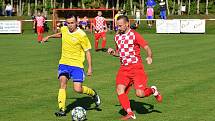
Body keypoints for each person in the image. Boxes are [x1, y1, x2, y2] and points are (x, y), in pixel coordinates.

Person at [41, 15, 101, 117]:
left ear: (77, 22)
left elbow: (87, 51)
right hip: (64, 62)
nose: (70, 25)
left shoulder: (81, 35)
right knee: (62, 83)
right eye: (68, 23)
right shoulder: (64, 29)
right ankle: (62, 109)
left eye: (72, 23)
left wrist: (90, 67)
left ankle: (93, 93)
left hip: (77, 64)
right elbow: (61, 34)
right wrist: (49, 36)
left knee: (77, 89)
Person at [107, 15, 162, 120]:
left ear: (127, 24)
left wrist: (149, 57)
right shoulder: (117, 37)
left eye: (120, 26)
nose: (118, 28)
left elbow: (147, 47)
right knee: (119, 89)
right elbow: (120, 53)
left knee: (140, 94)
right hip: (124, 68)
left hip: (136, 68)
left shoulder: (135, 35)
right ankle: (130, 113)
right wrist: (113, 52)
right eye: (117, 26)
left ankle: (153, 90)